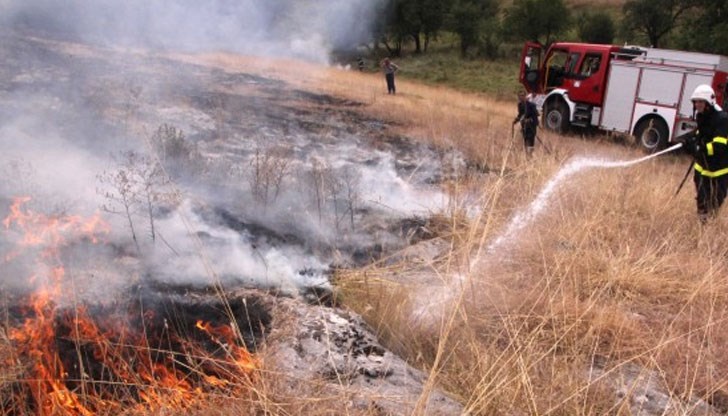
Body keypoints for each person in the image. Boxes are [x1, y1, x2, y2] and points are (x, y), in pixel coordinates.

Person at [682, 84, 728, 222]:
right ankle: (702, 225)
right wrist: (689, 141)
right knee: (702, 200)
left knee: (714, 201)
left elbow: (719, 145)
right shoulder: (702, 117)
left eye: (701, 101)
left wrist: (698, 149)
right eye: (696, 102)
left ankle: (708, 225)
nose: (697, 104)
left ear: (709, 102)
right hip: (702, 167)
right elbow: (700, 134)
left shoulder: (722, 119)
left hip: (718, 170)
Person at [512, 91, 539, 156]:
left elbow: (536, 115)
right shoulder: (520, 105)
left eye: (522, 96)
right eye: (520, 96)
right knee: (525, 139)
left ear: (525, 96)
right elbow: (520, 114)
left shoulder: (531, 105)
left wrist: (529, 120)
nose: (521, 97)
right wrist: (515, 121)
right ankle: (527, 154)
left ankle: (530, 154)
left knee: (531, 139)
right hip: (524, 126)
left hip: (532, 126)